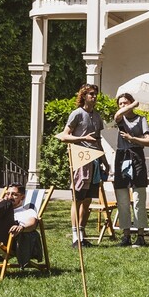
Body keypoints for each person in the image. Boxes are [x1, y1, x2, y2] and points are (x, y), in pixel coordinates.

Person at [55, 84, 105, 246]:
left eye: (95, 94)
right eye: (91, 94)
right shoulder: (76, 114)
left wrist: (105, 161)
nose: (94, 96)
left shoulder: (97, 116)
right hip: (80, 159)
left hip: (95, 159)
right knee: (78, 198)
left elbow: (98, 141)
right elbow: (63, 136)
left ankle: (82, 234)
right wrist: (82, 139)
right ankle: (75, 235)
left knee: (88, 199)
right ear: (83, 96)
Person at [111, 92, 149, 247]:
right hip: (121, 156)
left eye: (125, 103)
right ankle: (126, 234)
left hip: (136, 155)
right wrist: (133, 104)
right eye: (120, 104)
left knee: (138, 197)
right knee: (122, 198)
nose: (123, 106)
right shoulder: (120, 119)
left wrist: (133, 139)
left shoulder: (141, 120)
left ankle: (140, 235)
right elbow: (117, 115)